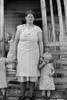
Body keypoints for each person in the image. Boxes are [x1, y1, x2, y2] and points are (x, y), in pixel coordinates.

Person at [13, 10, 43, 100]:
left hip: (34, 54)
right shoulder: (20, 28)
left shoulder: (37, 29)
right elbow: (15, 42)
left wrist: (41, 56)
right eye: (29, 16)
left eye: (32, 17)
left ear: (34, 18)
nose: (30, 18)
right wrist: (14, 55)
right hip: (22, 54)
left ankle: (31, 96)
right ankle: (22, 96)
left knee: (32, 74)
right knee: (22, 74)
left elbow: (40, 42)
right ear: (25, 17)